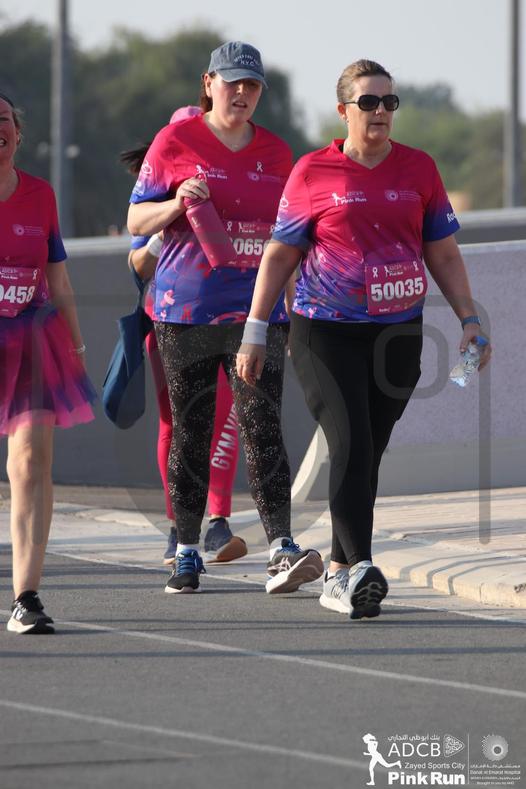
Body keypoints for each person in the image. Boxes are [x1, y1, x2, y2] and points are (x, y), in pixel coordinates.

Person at [237, 59, 491, 620]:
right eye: (369, 102)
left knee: (367, 450)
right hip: (324, 330)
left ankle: (335, 570)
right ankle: (359, 569)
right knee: (350, 441)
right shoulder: (312, 172)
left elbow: (443, 252)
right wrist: (255, 330)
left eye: (389, 102)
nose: (380, 111)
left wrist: (469, 320)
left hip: (398, 332)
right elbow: (280, 254)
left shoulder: (419, 168)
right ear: (343, 111)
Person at [127, 42, 324, 594]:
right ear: (208, 83)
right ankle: (187, 550)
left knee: (262, 424)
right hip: (185, 310)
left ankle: (281, 547)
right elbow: (135, 220)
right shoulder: (175, 141)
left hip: (256, 312)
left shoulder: (278, 153)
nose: (242, 93)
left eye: (252, 85)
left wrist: (292, 308)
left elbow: (290, 240)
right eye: (232, 82)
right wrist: (176, 203)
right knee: (192, 429)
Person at [122, 106, 247, 566]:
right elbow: (136, 264)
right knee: (176, 423)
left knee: (224, 415)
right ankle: (178, 526)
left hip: (228, 319)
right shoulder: (157, 193)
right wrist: (173, 217)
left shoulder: (231, 186)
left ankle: (218, 521)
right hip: (168, 321)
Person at [0, 92, 96, 634]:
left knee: (31, 462)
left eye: (3, 120)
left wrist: (76, 348)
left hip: (33, 338)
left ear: (17, 132)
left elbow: (58, 278)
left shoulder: (41, 196)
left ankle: (27, 596)